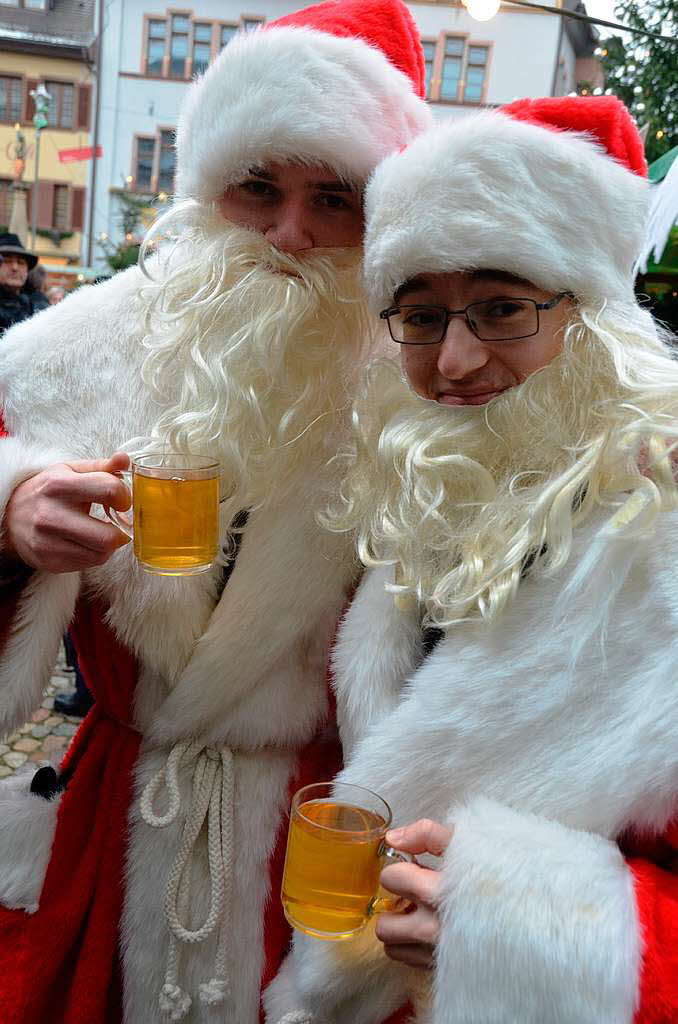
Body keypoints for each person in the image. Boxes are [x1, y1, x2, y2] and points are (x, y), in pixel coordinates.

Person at [0, 2, 431, 1021]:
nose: (291, 234)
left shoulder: (430, 384)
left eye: (336, 198)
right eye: (258, 189)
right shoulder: (63, 357)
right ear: (209, 189)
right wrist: (11, 510)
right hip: (108, 824)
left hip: (315, 841)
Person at [265, 97, 678, 1024]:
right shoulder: (411, 504)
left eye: (500, 309)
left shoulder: (663, 544)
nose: (454, 362)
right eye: (420, 316)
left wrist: (522, 934)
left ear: (593, 318)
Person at [0, 233, 47, 335]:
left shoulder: (37, 306)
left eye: (21, 262)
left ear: (27, 271)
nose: (15, 268)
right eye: (7, 261)